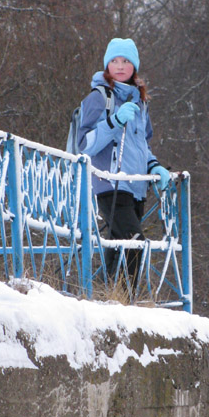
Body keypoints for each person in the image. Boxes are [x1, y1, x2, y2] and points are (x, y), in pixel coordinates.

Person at [76, 37, 171, 289]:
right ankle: (124, 303)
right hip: (110, 184)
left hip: (136, 188)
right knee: (134, 242)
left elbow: (142, 146)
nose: (120, 66)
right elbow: (84, 145)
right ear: (107, 65)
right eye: (114, 61)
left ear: (134, 66)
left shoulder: (140, 101)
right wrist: (114, 121)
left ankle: (107, 299)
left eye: (126, 61)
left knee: (118, 247)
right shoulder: (99, 98)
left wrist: (154, 167)